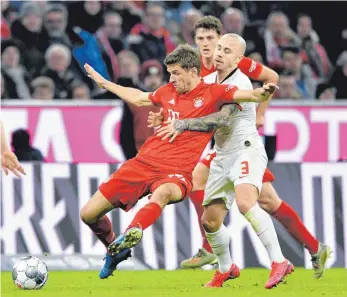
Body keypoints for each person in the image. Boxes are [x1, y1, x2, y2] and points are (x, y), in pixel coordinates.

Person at [149, 16, 330, 280]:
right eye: (201, 39)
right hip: (223, 144)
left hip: (241, 141)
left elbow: (271, 77)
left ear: (221, 39)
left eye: (212, 39)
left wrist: (260, 113)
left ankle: (305, 249)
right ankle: (311, 248)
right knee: (201, 182)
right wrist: (167, 117)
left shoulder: (237, 64)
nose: (207, 45)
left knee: (265, 202)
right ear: (195, 41)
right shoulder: (197, 68)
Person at [83, 44, 275, 280]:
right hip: (141, 164)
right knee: (88, 214)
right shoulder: (166, 92)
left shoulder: (214, 93)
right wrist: (106, 84)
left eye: (176, 73)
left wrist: (262, 93)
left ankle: (134, 230)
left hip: (177, 173)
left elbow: (249, 95)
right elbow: (139, 97)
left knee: (162, 193)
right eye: (170, 73)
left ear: (193, 72)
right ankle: (115, 250)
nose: (171, 78)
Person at [154, 34, 292, 289]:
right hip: (221, 154)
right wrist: (163, 115)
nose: (218, 53)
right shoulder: (207, 80)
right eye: (219, 48)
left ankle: (279, 261)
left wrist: (183, 124)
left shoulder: (239, 82)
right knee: (211, 220)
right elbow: (186, 102)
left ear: (238, 59)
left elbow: (222, 119)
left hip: (245, 150)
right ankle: (226, 269)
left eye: (227, 51)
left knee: (245, 202)